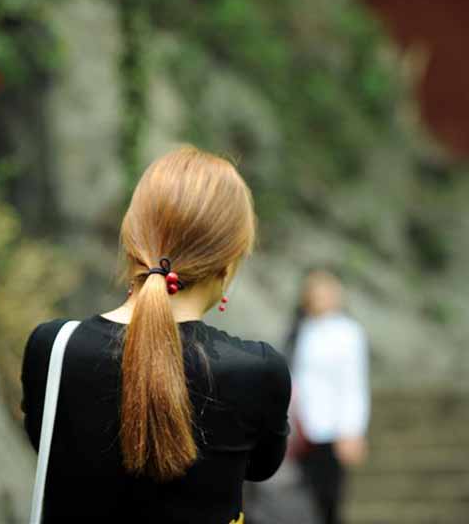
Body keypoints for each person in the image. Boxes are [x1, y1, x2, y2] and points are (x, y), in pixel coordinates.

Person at [20, 147, 291, 524]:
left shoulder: (54, 350)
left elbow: (47, 446)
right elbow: (261, 466)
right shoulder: (257, 371)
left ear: (132, 242)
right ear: (229, 263)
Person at [286, 269, 370, 524]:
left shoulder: (348, 332)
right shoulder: (300, 331)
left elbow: (353, 383)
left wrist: (352, 429)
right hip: (301, 429)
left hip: (332, 428)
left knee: (329, 500)